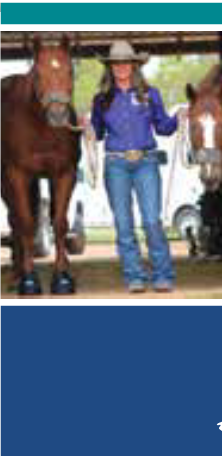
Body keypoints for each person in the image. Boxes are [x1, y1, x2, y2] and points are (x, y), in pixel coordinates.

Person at [91, 39, 179, 293]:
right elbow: (97, 133)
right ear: (110, 67)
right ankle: (134, 277)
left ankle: (163, 275)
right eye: (116, 63)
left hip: (146, 162)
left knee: (151, 221)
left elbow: (163, 128)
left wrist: (179, 118)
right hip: (116, 164)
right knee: (123, 223)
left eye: (125, 62)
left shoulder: (151, 95)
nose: (121, 67)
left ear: (134, 65)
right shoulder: (102, 100)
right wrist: (87, 128)